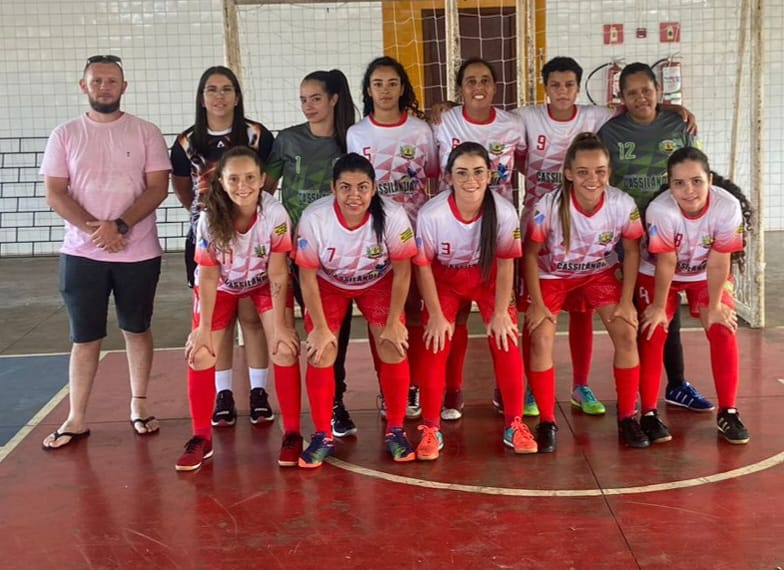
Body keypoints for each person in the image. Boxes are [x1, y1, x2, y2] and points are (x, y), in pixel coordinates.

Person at [40, 55, 171, 449]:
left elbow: (157, 187)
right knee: (85, 338)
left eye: (112, 80)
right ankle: (77, 417)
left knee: (137, 329)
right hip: (82, 255)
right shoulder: (64, 135)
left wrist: (121, 227)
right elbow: (55, 192)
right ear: (84, 86)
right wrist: (96, 231)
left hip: (138, 252)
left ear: (124, 86)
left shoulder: (146, 132)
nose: (104, 86)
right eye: (97, 80)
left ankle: (139, 406)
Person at [598, 62, 714, 413]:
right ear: (621, 97)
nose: (640, 98)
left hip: (673, 232)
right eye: (631, 92)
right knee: (632, 313)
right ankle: (635, 391)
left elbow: (694, 169)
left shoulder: (678, 124)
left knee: (667, 312)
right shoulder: (611, 132)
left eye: (646, 90)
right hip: (630, 236)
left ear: (659, 92)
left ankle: (676, 385)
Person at [522, 133, 648, 452]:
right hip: (552, 276)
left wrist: (626, 301)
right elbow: (530, 254)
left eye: (600, 171)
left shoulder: (621, 203)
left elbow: (632, 251)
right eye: (583, 172)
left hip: (598, 275)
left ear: (609, 172)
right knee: (539, 337)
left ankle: (628, 418)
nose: (592, 179)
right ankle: (548, 420)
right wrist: (536, 304)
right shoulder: (548, 206)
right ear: (568, 173)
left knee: (627, 332)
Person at [178, 147, 301, 471]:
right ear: (221, 181)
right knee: (202, 352)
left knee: (284, 348)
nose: (242, 185)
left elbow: (277, 271)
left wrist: (284, 326)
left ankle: (292, 433)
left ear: (262, 180)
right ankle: (201, 437)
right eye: (234, 179)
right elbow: (206, 275)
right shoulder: (209, 218)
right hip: (220, 286)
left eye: (250, 178)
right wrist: (202, 329)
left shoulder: (274, 214)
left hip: (262, 282)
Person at [413, 142, 537, 459]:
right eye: (462, 173)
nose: (471, 180)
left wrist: (500, 312)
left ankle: (515, 423)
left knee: (506, 336)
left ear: (490, 175)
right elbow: (423, 267)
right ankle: (430, 427)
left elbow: (507, 262)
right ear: (448, 177)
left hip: (488, 278)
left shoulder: (504, 211)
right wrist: (438, 315)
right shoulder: (432, 214)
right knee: (436, 340)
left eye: (479, 172)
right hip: (445, 281)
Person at [294, 153, 417, 468]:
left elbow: (403, 271)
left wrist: (393, 323)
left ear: (374, 188)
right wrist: (320, 329)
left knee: (393, 345)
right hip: (328, 284)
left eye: (362, 187)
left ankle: (396, 430)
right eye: (345, 187)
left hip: (378, 282)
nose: (354, 195)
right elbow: (306, 277)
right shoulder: (314, 218)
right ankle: (323, 434)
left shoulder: (392, 215)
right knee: (321, 351)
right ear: (333, 189)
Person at [171, 66, 276, 428]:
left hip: (253, 237)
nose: (219, 96)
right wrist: (206, 213)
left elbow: (269, 181)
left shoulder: (257, 134)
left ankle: (259, 392)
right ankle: (223, 393)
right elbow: (182, 186)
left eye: (226, 89)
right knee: (217, 319)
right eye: (212, 90)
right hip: (208, 237)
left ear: (236, 95)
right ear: (202, 97)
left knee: (252, 317)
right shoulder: (186, 141)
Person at [264, 69, 361, 438]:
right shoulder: (287, 140)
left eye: (316, 98)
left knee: (334, 327)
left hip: (336, 254)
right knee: (288, 329)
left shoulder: (349, 141)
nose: (308, 106)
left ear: (334, 99)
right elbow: (267, 189)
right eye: (303, 99)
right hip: (290, 252)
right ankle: (286, 406)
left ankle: (336, 401)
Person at [431, 57, 528, 420]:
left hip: (495, 231)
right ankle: (451, 392)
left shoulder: (513, 124)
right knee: (450, 322)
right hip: (454, 232)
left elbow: (526, 162)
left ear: (495, 86)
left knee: (503, 320)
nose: (478, 86)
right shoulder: (444, 120)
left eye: (485, 79)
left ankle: (508, 396)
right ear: (460, 89)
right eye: (470, 80)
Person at [637, 147, 752, 445]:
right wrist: (660, 308)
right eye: (679, 183)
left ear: (709, 179)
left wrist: (714, 307)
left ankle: (728, 411)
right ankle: (647, 413)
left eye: (697, 181)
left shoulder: (727, 206)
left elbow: (719, 259)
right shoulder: (661, 210)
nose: (689, 191)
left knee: (723, 328)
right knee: (654, 330)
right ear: (670, 183)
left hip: (704, 273)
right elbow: (666, 262)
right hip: (659, 273)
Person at [347, 55, 438, 420]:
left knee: (413, 312)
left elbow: (430, 173)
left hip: (414, 236)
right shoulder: (357, 134)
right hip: (374, 239)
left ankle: (413, 382)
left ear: (403, 87)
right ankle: (388, 384)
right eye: (377, 84)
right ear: (368, 91)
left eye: (392, 83)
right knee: (381, 316)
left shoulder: (420, 131)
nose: (385, 90)